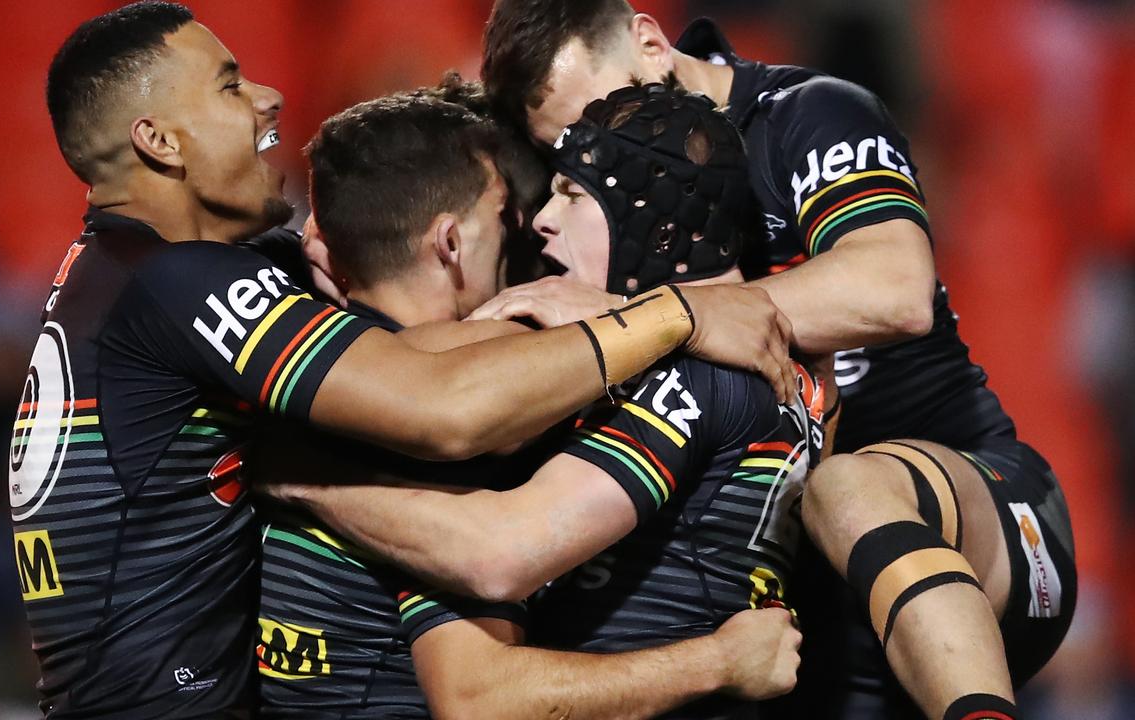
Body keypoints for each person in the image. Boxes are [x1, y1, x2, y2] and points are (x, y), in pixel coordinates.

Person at [13, 2, 796, 717]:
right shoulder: (181, 283)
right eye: (227, 87)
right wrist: (677, 315)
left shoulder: (117, 278)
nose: (267, 97)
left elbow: (402, 346)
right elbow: (447, 411)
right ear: (157, 140)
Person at [476, 2, 1076, 719]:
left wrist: (660, 318)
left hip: (968, 510)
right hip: (801, 594)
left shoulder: (807, 114)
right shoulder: (575, 210)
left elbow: (894, 289)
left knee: (845, 489)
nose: (600, 145)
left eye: (606, 108)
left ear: (647, 41)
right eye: (568, 149)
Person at [269, 82, 825, 720]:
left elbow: (499, 568)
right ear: (448, 243)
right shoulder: (482, 405)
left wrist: (300, 479)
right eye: (510, 211)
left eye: (573, 194)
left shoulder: (303, 358)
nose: (534, 226)